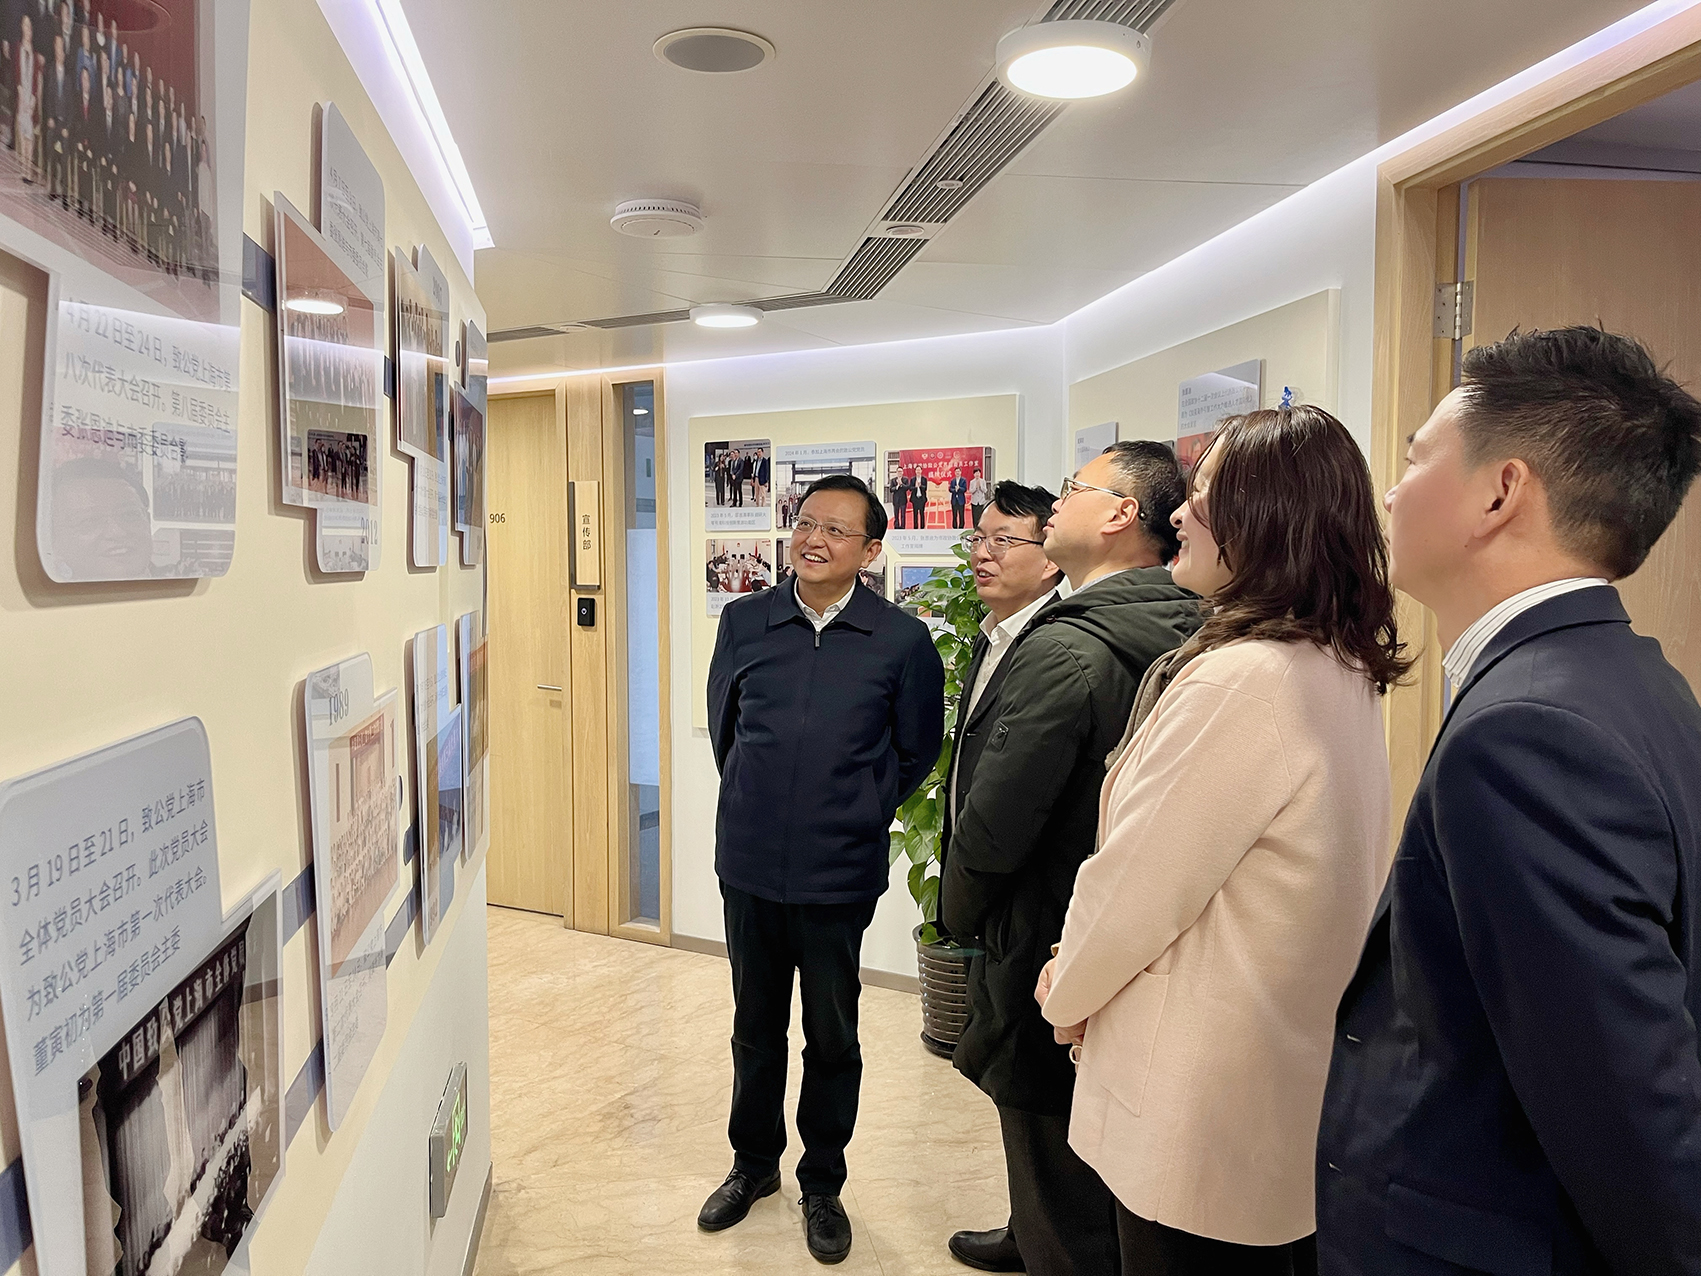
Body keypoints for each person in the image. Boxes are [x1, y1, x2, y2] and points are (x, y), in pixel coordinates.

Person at [1315, 327, 1701, 1275]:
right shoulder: (1632, 679)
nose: (1391, 492)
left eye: (1415, 459)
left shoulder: (1527, 730)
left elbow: (1626, 1105)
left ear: (1499, 492)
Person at [1036, 406, 1409, 1274]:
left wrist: (1066, 991)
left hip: (1196, 1095)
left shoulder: (1242, 679)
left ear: (1263, 516)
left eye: (1202, 492)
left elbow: (1137, 886)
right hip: (1267, 1071)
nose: (1179, 512)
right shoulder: (1331, 661)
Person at [941, 455, 1201, 1276]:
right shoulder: (1197, 626)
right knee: (1093, 1146)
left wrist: (958, 915)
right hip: (1129, 933)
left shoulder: (1067, 647)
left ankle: (1043, 1239)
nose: (1056, 503)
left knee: (1050, 1147)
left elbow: (995, 824)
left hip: (1044, 936)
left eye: (1073, 489)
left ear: (1121, 514)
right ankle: (1029, 1233)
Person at [703, 473, 945, 1265]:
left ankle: (822, 1182)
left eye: (837, 531)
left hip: (838, 871)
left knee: (831, 1033)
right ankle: (752, 1165)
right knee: (753, 1026)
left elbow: (914, 750)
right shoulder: (745, 621)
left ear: (870, 551)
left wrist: (858, 806)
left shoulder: (900, 640)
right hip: (748, 864)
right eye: (806, 523)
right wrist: (757, 802)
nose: (814, 539)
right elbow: (725, 731)